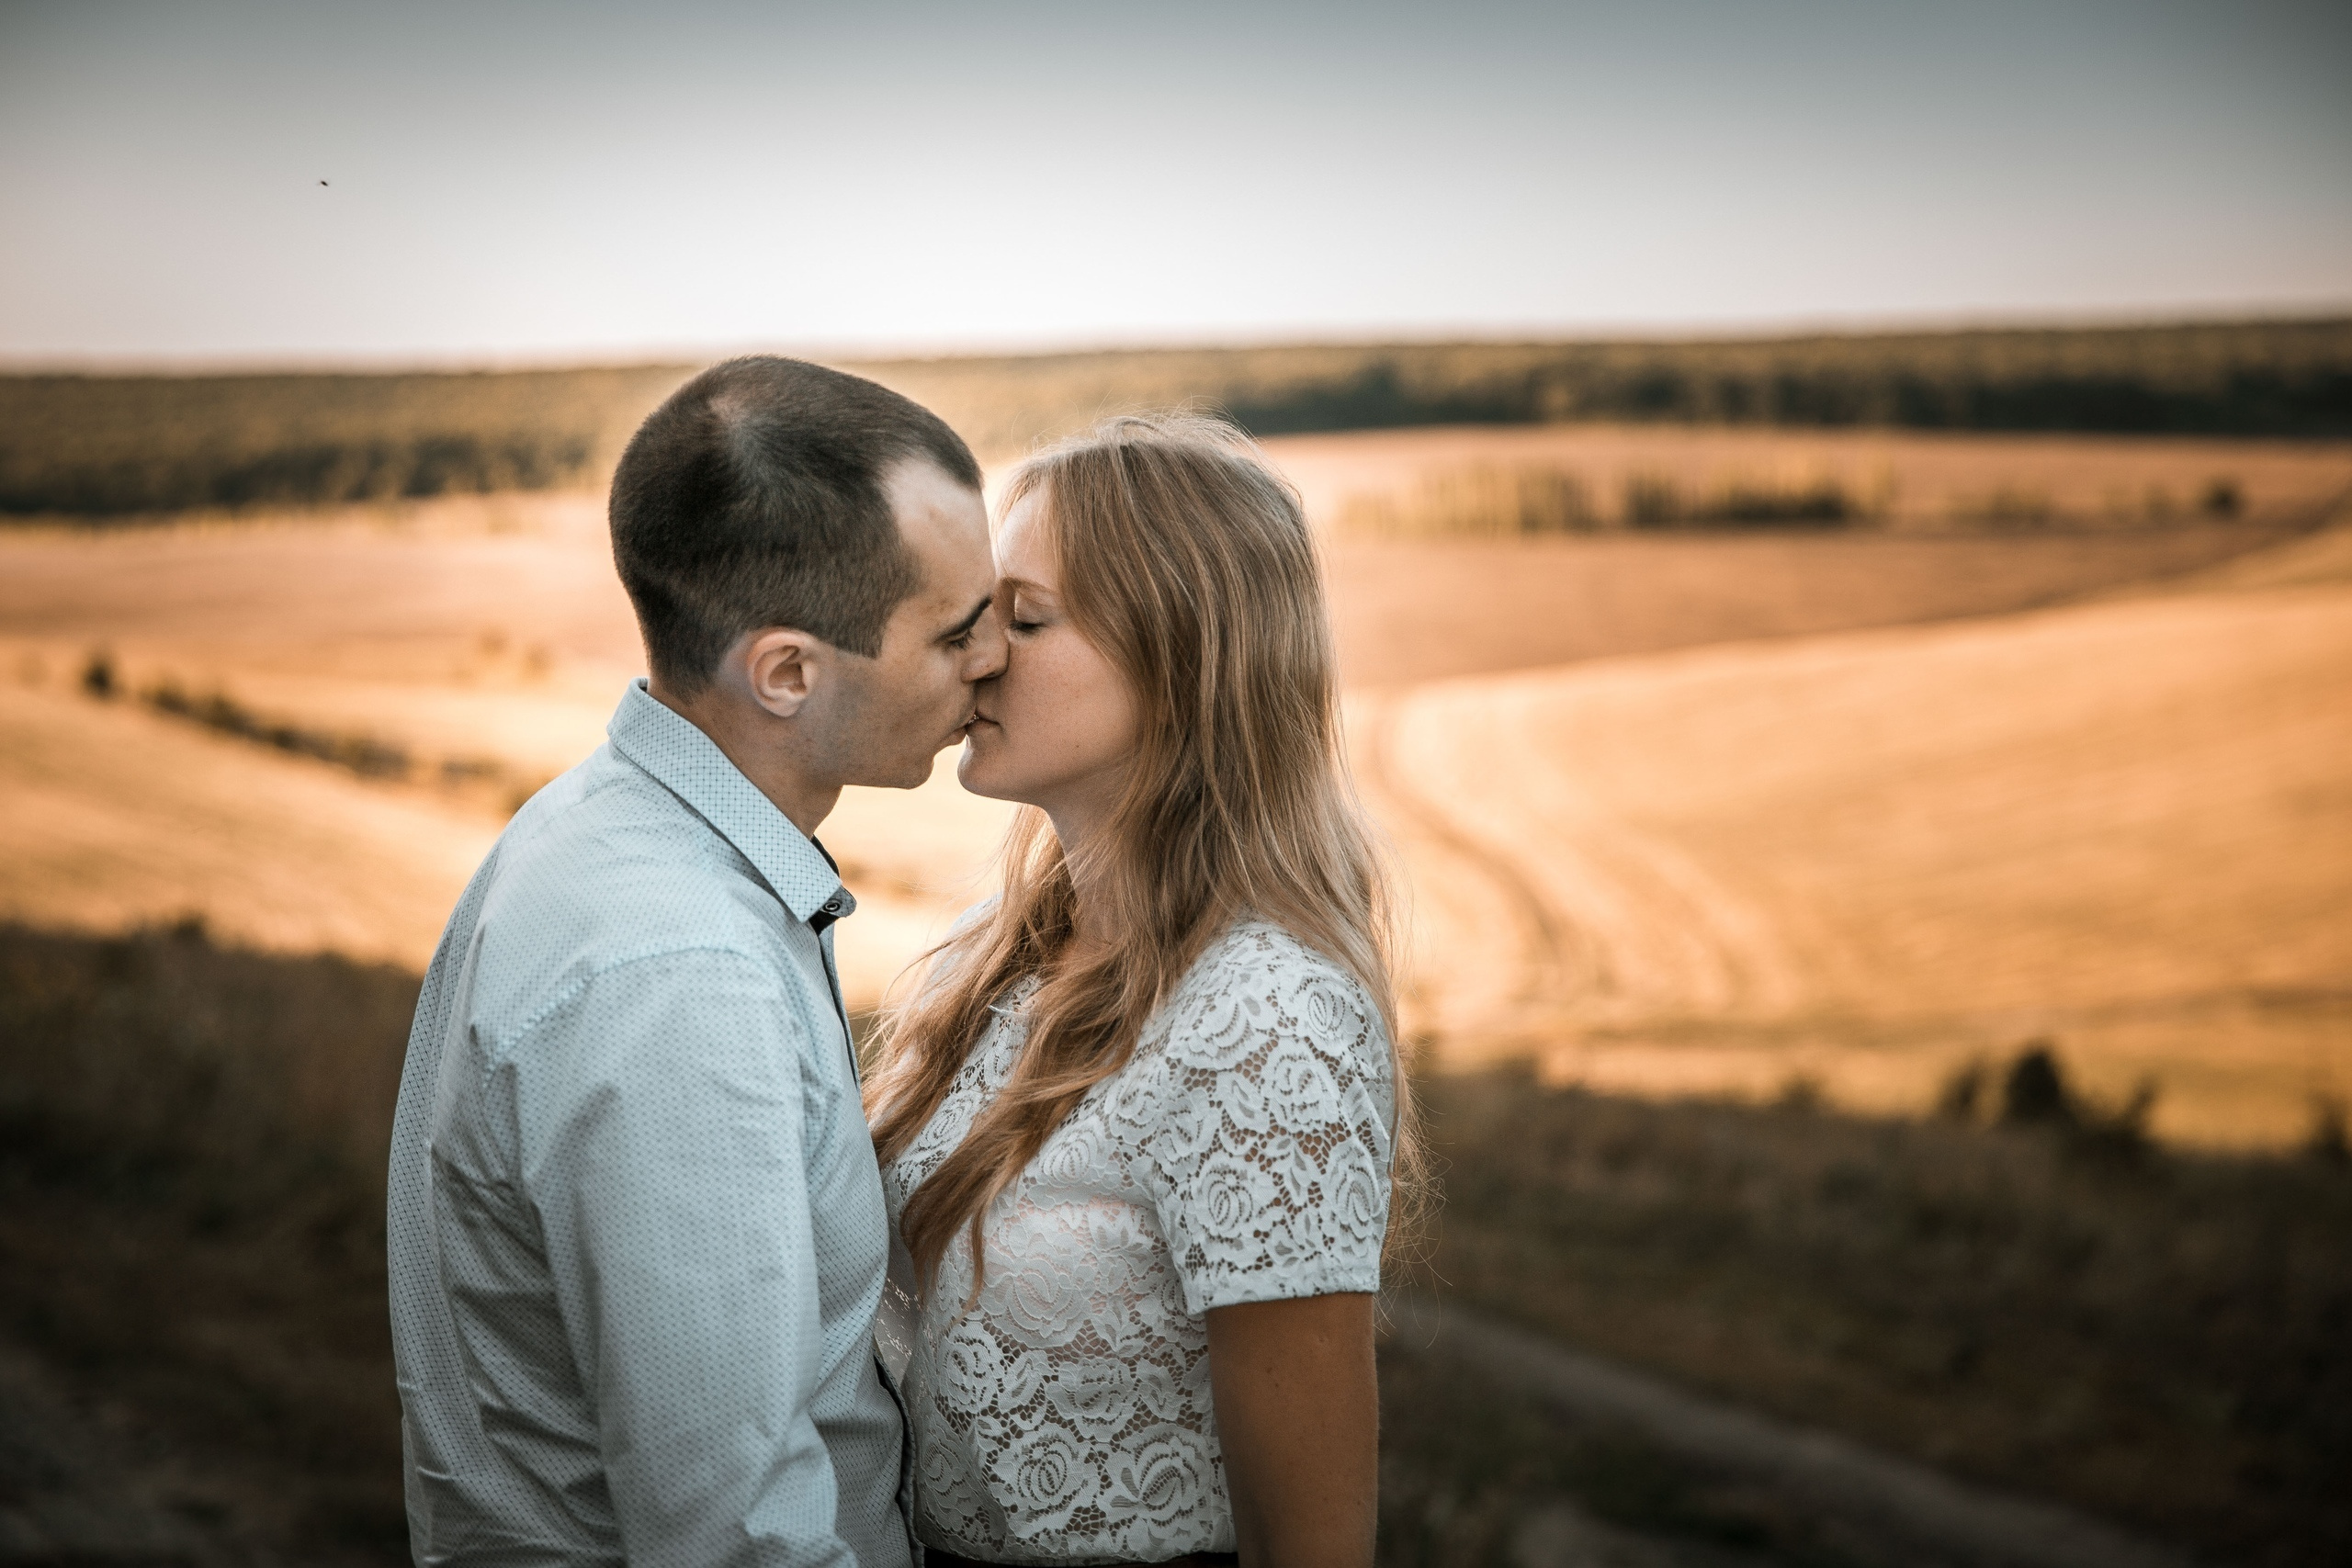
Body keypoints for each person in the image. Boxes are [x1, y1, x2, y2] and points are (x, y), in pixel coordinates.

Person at [385, 356, 1005, 1564]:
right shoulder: (676, 975)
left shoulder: (604, 828)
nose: (991, 660)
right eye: (955, 631)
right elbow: (731, 1531)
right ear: (786, 671)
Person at [864, 413, 1414, 1568]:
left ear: (1184, 654)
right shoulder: (999, 953)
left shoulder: (1265, 1020)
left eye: (1024, 618)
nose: (977, 656)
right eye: (975, 619)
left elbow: (1309, 1543)